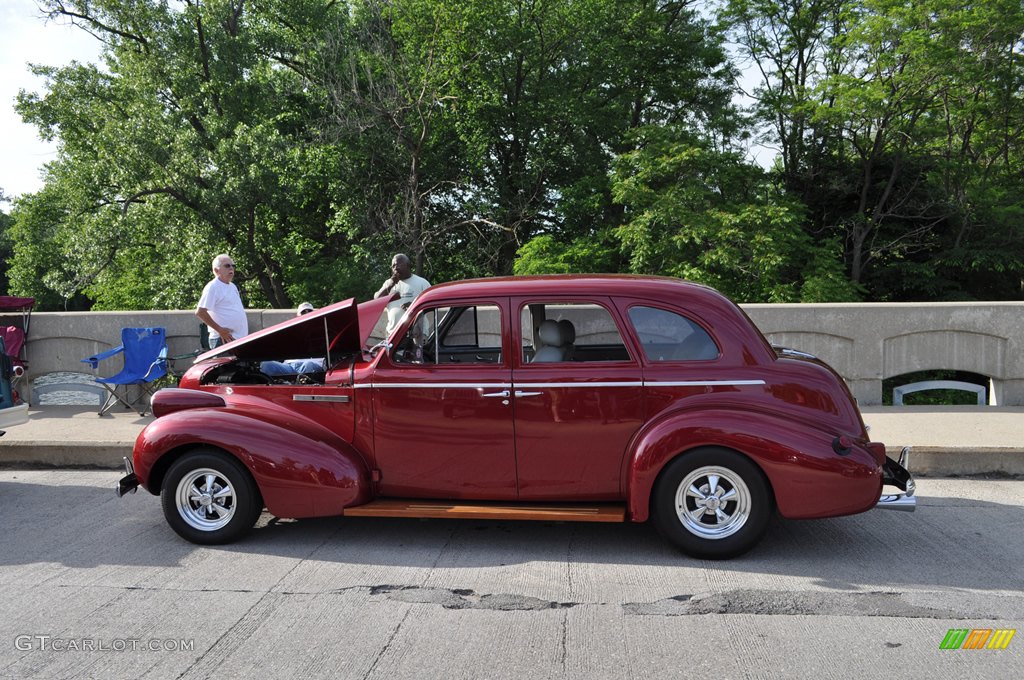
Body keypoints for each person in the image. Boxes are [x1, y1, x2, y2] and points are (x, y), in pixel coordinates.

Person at [196, 254, 247, 348]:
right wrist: (220, 330)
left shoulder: (232, 286)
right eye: (227, 266)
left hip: (238, 339)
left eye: (233, 266)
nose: (231, 268)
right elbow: (200, 312)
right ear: (216, 270)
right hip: (223, 340)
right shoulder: (213, 287)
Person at [261, 303, 326, 377]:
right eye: (303, 312)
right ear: (298, 316)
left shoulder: (322, 331)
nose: (307, 314)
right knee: (266, 364)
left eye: (309, 312)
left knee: (309, 365)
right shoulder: (290, 332)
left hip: (310, 366)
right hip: (289, 367)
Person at [374, 253, 430, 335]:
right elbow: (376, 301)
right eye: (393, 266)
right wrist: (389, 286)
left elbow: (431, 305)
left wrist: (415, 306)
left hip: (417, 334)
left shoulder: (422, 283)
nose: (396, 268)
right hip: (393, 334)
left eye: (399, 264)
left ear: (408, 265)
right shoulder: (388, 283)